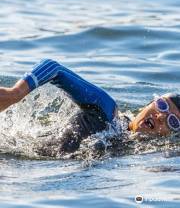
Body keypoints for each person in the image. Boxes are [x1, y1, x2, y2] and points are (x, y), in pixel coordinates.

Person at [0, 59, 179, 153]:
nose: (160, 116)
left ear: (172, 136)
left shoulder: (148, 152)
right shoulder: (108, 113)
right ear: (148, 104)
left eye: (173, 121)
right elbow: (54, 68)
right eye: (162, 105)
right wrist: (15, 94)